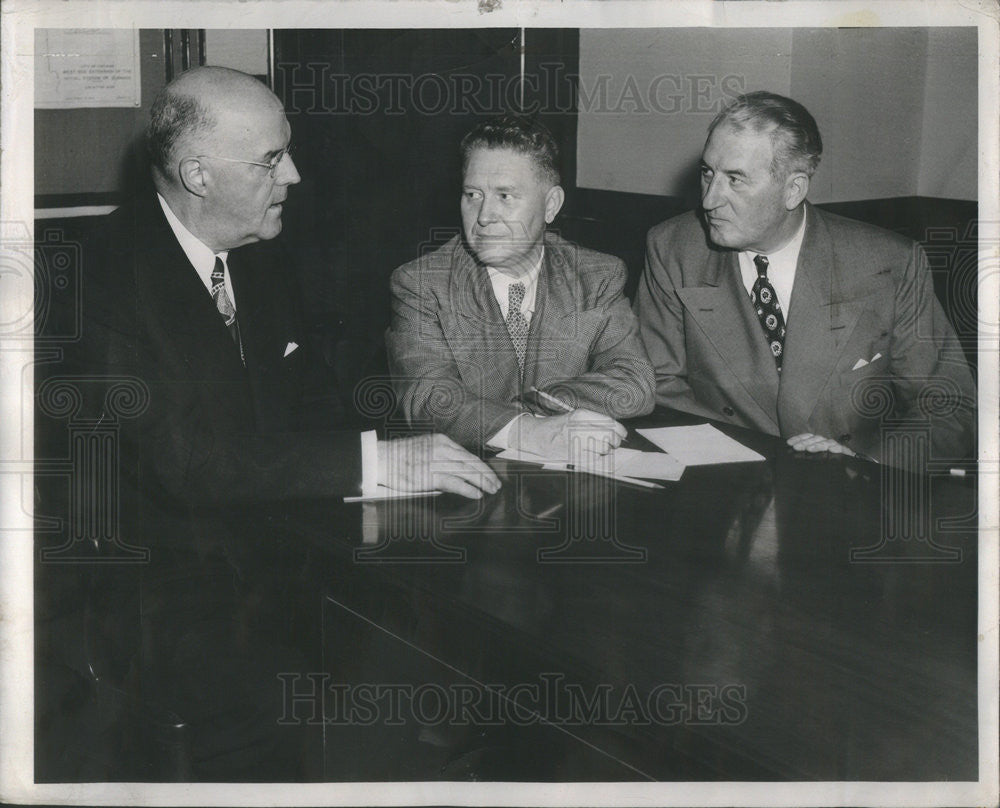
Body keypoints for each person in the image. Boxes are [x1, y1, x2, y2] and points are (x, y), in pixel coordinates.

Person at [69, 66, 499, 504]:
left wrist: (396, 466)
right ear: (198, 176)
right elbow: (179, 461)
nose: (292, 174)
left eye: (287, 152)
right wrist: (374, 463)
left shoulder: (261, 253)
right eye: (270, 160)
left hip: (273, 525)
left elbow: (314, 402)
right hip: (166, 556)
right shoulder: (99, 277)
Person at [634, 91, 975, 463]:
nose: (710, 199)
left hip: (854, 491)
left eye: (735, 179)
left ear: (793, 190)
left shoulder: (890, 263)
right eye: (707, 173)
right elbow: (657, 386)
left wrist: (865, 465)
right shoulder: (672, 248)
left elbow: (949, 406)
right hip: (728, 481)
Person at [386, 115, 655, 460]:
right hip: (469, 480)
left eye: (505, 196)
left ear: (551, 206)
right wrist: (526, 429)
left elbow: (635, 384)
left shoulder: (596, 276)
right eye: (472, 194)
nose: (484, 216)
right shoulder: (422, 284)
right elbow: (428, 399)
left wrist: (527, 407)